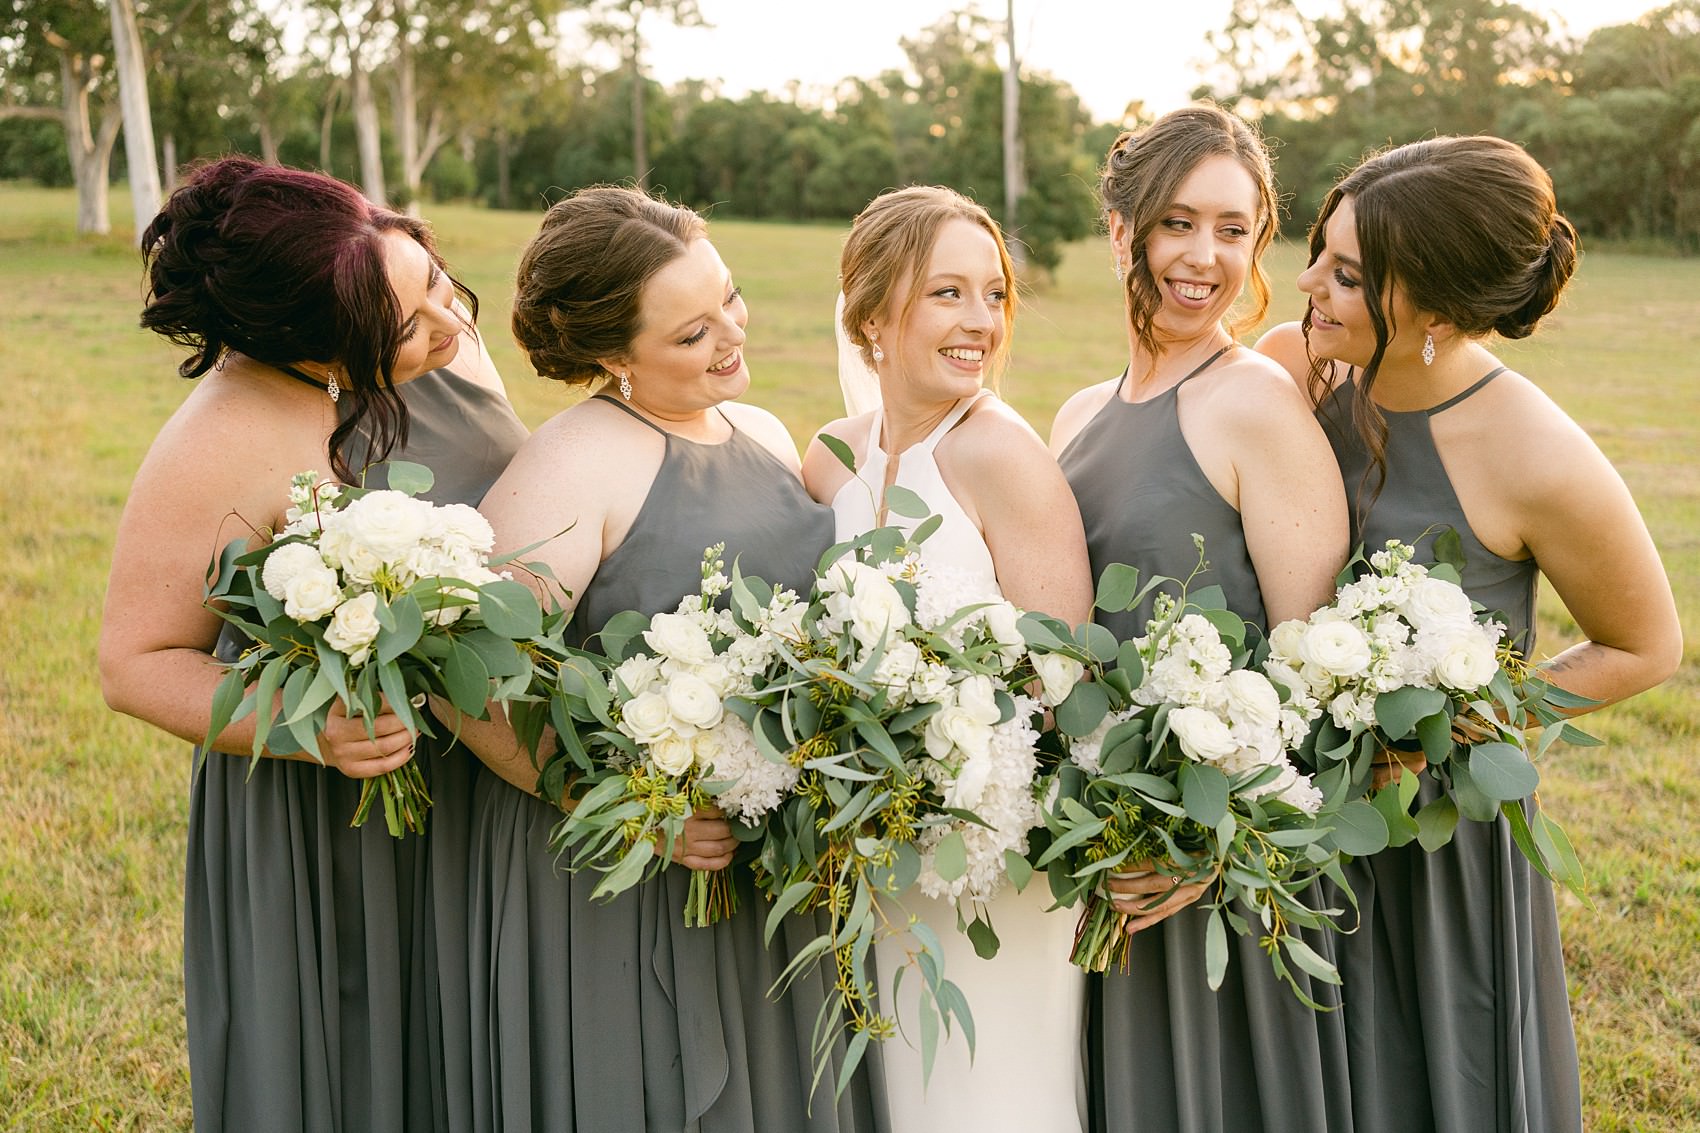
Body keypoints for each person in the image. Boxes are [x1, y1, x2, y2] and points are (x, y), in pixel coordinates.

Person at [1256, 134, 1682, 1133]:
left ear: (1439, 312)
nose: (1308, 285)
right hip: (1285, 803)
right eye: (1320, 251)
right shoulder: (1299, 367)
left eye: (1346, 275)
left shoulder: (1535, 454)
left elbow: (1644, 645)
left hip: (1432, 837)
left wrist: (1456, 727)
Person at [97, 156, 528, 1133]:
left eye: (438, 281)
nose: (449, 324)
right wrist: (313, 728)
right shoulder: (224, 436)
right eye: (407, 328)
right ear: (312, 344)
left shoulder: (440, 331)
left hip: (491, 775)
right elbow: (134, 662)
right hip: (336, 817)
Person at [448, 185, 880, 1133]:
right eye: (692, 333)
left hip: (765, 863)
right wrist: (628, 809)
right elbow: (466, 682)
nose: (731, 334)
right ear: (615, 355)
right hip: (627, 878)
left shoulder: (760, 431)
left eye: (729, 297)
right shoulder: (575, 463)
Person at [1048, 104, 1353, 1133]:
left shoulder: (1254, 403)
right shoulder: (1076, 415)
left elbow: (1312, 675)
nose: (1205, 256)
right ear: (1120, 230)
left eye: (1233, 229)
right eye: (1178, 223)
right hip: (1100, 847)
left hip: (1213, 866)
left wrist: (1209, 837)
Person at [802, 184, 1095, 1133]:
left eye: (995, 294)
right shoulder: (831, 459)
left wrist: (947, 764)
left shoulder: (1003, 456)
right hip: (876, 856)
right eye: (947, 293)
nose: (981, 321)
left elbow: (1064, 683)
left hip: (989, 862)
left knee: (989, 1093)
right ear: (871, 316)